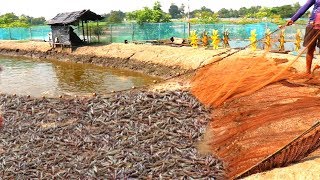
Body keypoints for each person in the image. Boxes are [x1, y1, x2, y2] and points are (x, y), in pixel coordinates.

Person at [286, 0, 320, 76]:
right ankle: (308, 72)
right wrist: (293, 19)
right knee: (310, 48)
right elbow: (305, 7)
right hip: (313, 25)